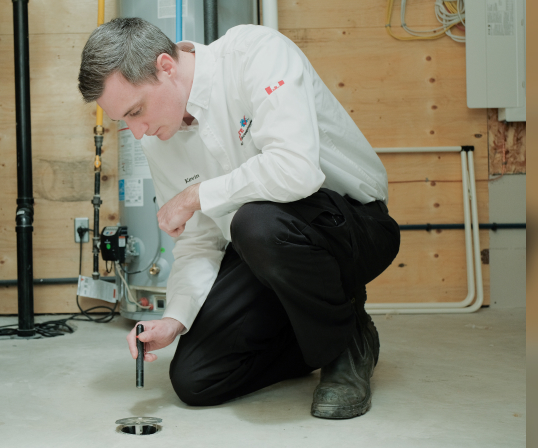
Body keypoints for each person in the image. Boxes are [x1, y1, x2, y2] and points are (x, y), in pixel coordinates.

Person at [77, 18, 400, 419]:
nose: (137, 131)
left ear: (166, 66)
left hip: (351, 227)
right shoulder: (159, 135)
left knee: (256, 223)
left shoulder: (255, 54)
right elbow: (197, 238)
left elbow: (296, 170)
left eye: (137, 111)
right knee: (197, 379)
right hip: (268, 250)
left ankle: (347, 343)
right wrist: (174, 319)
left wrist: (197, 195)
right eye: (124, 121)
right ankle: (315, 326)